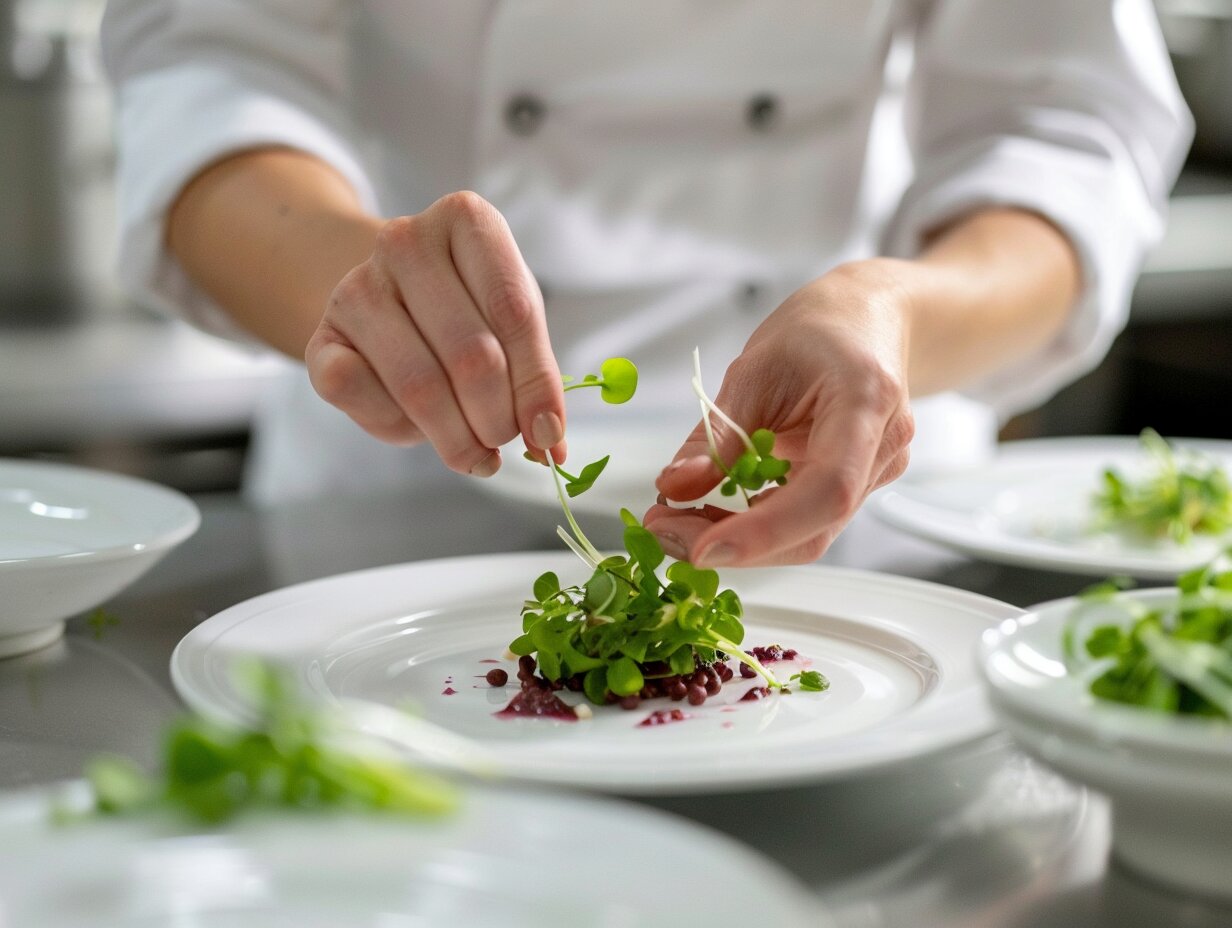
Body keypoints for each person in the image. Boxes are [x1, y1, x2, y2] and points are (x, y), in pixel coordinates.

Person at [100, 1, 1191, 568]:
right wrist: (360, 287)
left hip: (849, 517)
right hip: (400, 490)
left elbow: (1061, 128)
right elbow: (209, 68)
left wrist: (895, 319)